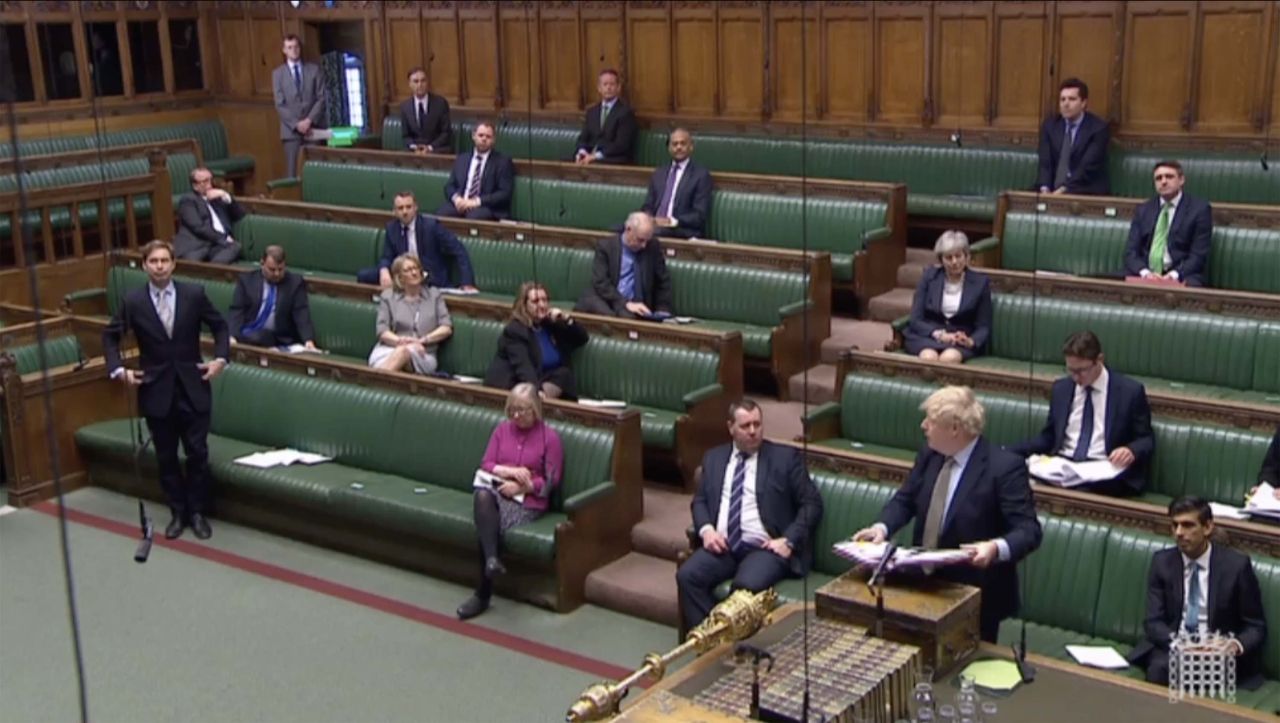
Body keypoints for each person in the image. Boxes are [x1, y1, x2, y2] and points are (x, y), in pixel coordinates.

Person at [853, 386, 1042, 642]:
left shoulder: (1004, 468)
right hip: (923, 583)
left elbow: (1028, 530)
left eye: (930, 421)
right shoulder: (930, 455)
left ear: (955, 428)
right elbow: (906, 499)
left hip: (974, 594)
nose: (923, 426)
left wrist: (995, 548)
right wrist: (882, 528)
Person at [102, 240, 230, 541]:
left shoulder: (194, 295)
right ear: (144, 265)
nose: (159, 266)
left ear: (174, 264)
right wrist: (119, 370)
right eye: (153, 261)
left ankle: (197, 512)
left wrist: (220, 360)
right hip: (156, 390)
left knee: (197, 453)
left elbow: (220, 327)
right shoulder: (133, 301)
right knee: (166, 456)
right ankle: (178, 512)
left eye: (164, 260)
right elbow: (110, 337)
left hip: (193, 386)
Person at [677, 399, 823, 631]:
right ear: (730, 428)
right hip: (723, 546)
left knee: (744, 588)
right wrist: (706, 531)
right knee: (688, 576)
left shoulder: (784, 459)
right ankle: (711, 643)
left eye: (757, 424)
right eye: (746, 426)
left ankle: (734, 647)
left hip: (765, 548)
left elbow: (812, 504)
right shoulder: (714, 459)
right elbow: (700, 501)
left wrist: (789, 540)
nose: (753, 432)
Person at [1128, 497, 1268, 689]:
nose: (1179, 533)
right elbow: (1153, 622)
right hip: (1176, 647)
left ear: (1207, 527)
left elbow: (1255, 626)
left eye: (1187, 525)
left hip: (1216, 653)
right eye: (1175, 525)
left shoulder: (1236, 566)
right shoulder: (1162, 563)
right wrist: (1180, 643)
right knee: (1160, 669)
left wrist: (1232, 645)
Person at [456, 383, 564, 621]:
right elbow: (487, 464)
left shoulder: (550, 438)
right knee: (482, 497)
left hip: (528, 503)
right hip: (498, 491)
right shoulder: (502, 430)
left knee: (488, 523)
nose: (517, 416)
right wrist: (509, 472)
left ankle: (482, 593)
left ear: (535, 409)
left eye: (523, 410)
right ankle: (492, 560)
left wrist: (525, 486)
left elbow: (551, 481)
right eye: (513, 410)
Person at [1008, 331, 1154, 497]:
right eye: (1071, 370)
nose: (1076, 377)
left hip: (1102, 468)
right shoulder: (1062, 389)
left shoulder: (1129, 392)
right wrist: (1008, 451)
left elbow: (1146, 439)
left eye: (1082, 370)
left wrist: (1131, 450)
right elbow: (1048, 437)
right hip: (1063, 464)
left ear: (1099, 360)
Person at [485, 281, 589, 400]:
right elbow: (524, 368)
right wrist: (536, 392)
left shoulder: (549, 324)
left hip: (545, 380)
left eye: (545, 300)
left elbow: (582, 338)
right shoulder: (515, 330)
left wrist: (566, 319)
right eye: (535, 301)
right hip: (514, 386)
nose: (542, 305)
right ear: (524, 305)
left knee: (564, 375)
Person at [901, 230, 992, 364]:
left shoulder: (980, 283)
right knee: (928, 357)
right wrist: (939, 335)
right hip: (929, 336)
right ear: (941, 260)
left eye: (958, 256)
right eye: (948, 257)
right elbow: (915, 319)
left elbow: (984, 326)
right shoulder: (929, 277)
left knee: (948, 358)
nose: (954, 262)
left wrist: (971, 341)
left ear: (966, 257)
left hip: (960, 341)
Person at [356, 191, 477, 290]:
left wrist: (467, 282)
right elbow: (387, 256)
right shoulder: (392, 228)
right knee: (364, 276)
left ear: (415, 208)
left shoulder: (431, 226)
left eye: (408, 207)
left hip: (428, 276)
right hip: (403, 274)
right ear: (394, 211)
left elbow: (458, 250)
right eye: (400, 208)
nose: (405, 212)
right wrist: (384, 270)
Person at [1123, 160, 1213, 287]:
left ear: (1181, 180)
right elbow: (1131, 252)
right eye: (1158, 178)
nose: (1163, 181)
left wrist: (1172, 276)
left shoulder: (1199, 210)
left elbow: (1198, 256)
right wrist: (1146, 273)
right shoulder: (1144, 209)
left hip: (1182, 275)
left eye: (1169, 177)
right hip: (1145, 274)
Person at [574, 212, 672, 319]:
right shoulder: (606, 247)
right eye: (640, 240)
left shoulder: (653, 246)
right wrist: (624, 303)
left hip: (638, 306)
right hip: (610, 299)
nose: (644, 245)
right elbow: (600, 282)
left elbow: (662, 280)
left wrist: (662, 309)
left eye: (647, 241)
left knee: (627, 317)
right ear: (628, 230)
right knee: (594, 304)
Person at [367, 254, 453, 375]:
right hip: (389, 349)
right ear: (400, 278)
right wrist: (402, 341)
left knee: (404, 352)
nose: (414, 273)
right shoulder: (388, 297)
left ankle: (372, 383)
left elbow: (446, 328)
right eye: (408, 270)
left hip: (424, 354)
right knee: (402, 353)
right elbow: (382, 331)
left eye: (416, 268)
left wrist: (423, 340)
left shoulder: (434, 296)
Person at [226, 245, 316, 350]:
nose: (277, 274)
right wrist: (231, 335)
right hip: (247, 332)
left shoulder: (294, 283)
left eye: (281, 269)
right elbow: (237, 310)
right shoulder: (247, 281)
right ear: (262, 263)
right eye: (272, 269)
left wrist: (308, 340)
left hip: (277, 338)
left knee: (260, 337)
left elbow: (301, 312)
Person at [1036, 78, 1110, 195]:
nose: (1066, 104)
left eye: (1072, 99)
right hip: (1052, 190)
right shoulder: (1050, 126)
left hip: (1084, 190)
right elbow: (1045, 163)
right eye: (1062, 99)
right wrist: (1045, 189)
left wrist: (1063, 190)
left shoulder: (1098, 128)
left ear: (1083, 103)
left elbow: (1086, 168)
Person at [639, 128, 713, 239]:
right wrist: (649, 218)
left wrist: (672, 221)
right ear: (669, 148)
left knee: (644, 234)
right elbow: (648, 205)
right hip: (655, 225)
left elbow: (699, 215)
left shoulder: (700, 175)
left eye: (683, 144)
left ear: (691, 147)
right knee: (623, 229)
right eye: (674, 144)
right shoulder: (659, 173)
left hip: (681, 229)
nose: (678, 147)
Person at [272, 34, 326, 178]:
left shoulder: (314, 70)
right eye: (290, 47)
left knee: (316, 170)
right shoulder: (278, 74)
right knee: (292, 171)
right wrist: (297, 124)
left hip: (313, 128)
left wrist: (309, 121)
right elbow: (280, 104)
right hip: (291, 132)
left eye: (296, 47)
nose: (294, 50)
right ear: (284, 50)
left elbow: (322, 98)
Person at [436, 121, 514, 221]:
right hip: (461, 203)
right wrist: (457, 199)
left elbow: (504, 193)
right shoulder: (462, 159)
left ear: (494, 140)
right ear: (474, 136)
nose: (484, 139)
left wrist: (476, 202)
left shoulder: (502, 162)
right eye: (481, 135)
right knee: (441, 214)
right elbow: (449, 186)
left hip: (486, 207)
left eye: (488, 136)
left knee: (474, 216)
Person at [173, 167, 246, 264]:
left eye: (211, 179)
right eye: (206, 181)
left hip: (217, 246)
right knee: (191, 262)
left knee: (235, 247)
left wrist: (225, 195)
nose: (211, 184)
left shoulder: (218, 197)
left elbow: (239, 214)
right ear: (195, 186)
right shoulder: (188, 201)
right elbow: (198, 227)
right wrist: (223, 238)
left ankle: (213, 270)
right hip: (197, 244)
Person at [573, 68, 637, 165]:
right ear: (599, 88)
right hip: (589, 156)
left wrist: (596, 156)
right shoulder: (592, 112)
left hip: (613, 159)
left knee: (593, 164)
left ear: (618, 87)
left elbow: (621, 145)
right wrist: (582, 152)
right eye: (605, 84)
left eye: (612, 84)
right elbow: (582, 138)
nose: (608, 88)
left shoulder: (626, 113)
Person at [398, 66, 453, 154]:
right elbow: (405, 136)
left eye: (423, 81)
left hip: (436, 150)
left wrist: (430, 148)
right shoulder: (405, 107)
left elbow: (446, 133)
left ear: (427, 83)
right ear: (410, 84)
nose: (420, 85)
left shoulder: (440, 103)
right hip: (414, 152)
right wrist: (415, 147)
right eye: (416, 81)